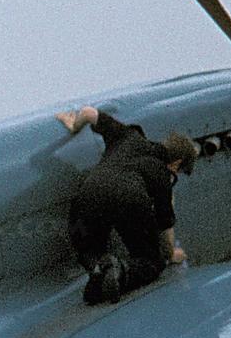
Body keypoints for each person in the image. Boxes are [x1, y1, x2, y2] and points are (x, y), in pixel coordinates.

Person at [55, 105, 197, 303]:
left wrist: (74, 126)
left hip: (86, 196)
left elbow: (88, 112)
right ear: (176, 163)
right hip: (127, 197)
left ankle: (100, 277)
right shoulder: (162, 173)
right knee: (151, 262)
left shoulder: (128, 136)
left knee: (92, 253)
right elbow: (165, 224)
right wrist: (171, 254)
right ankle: (120, 272)